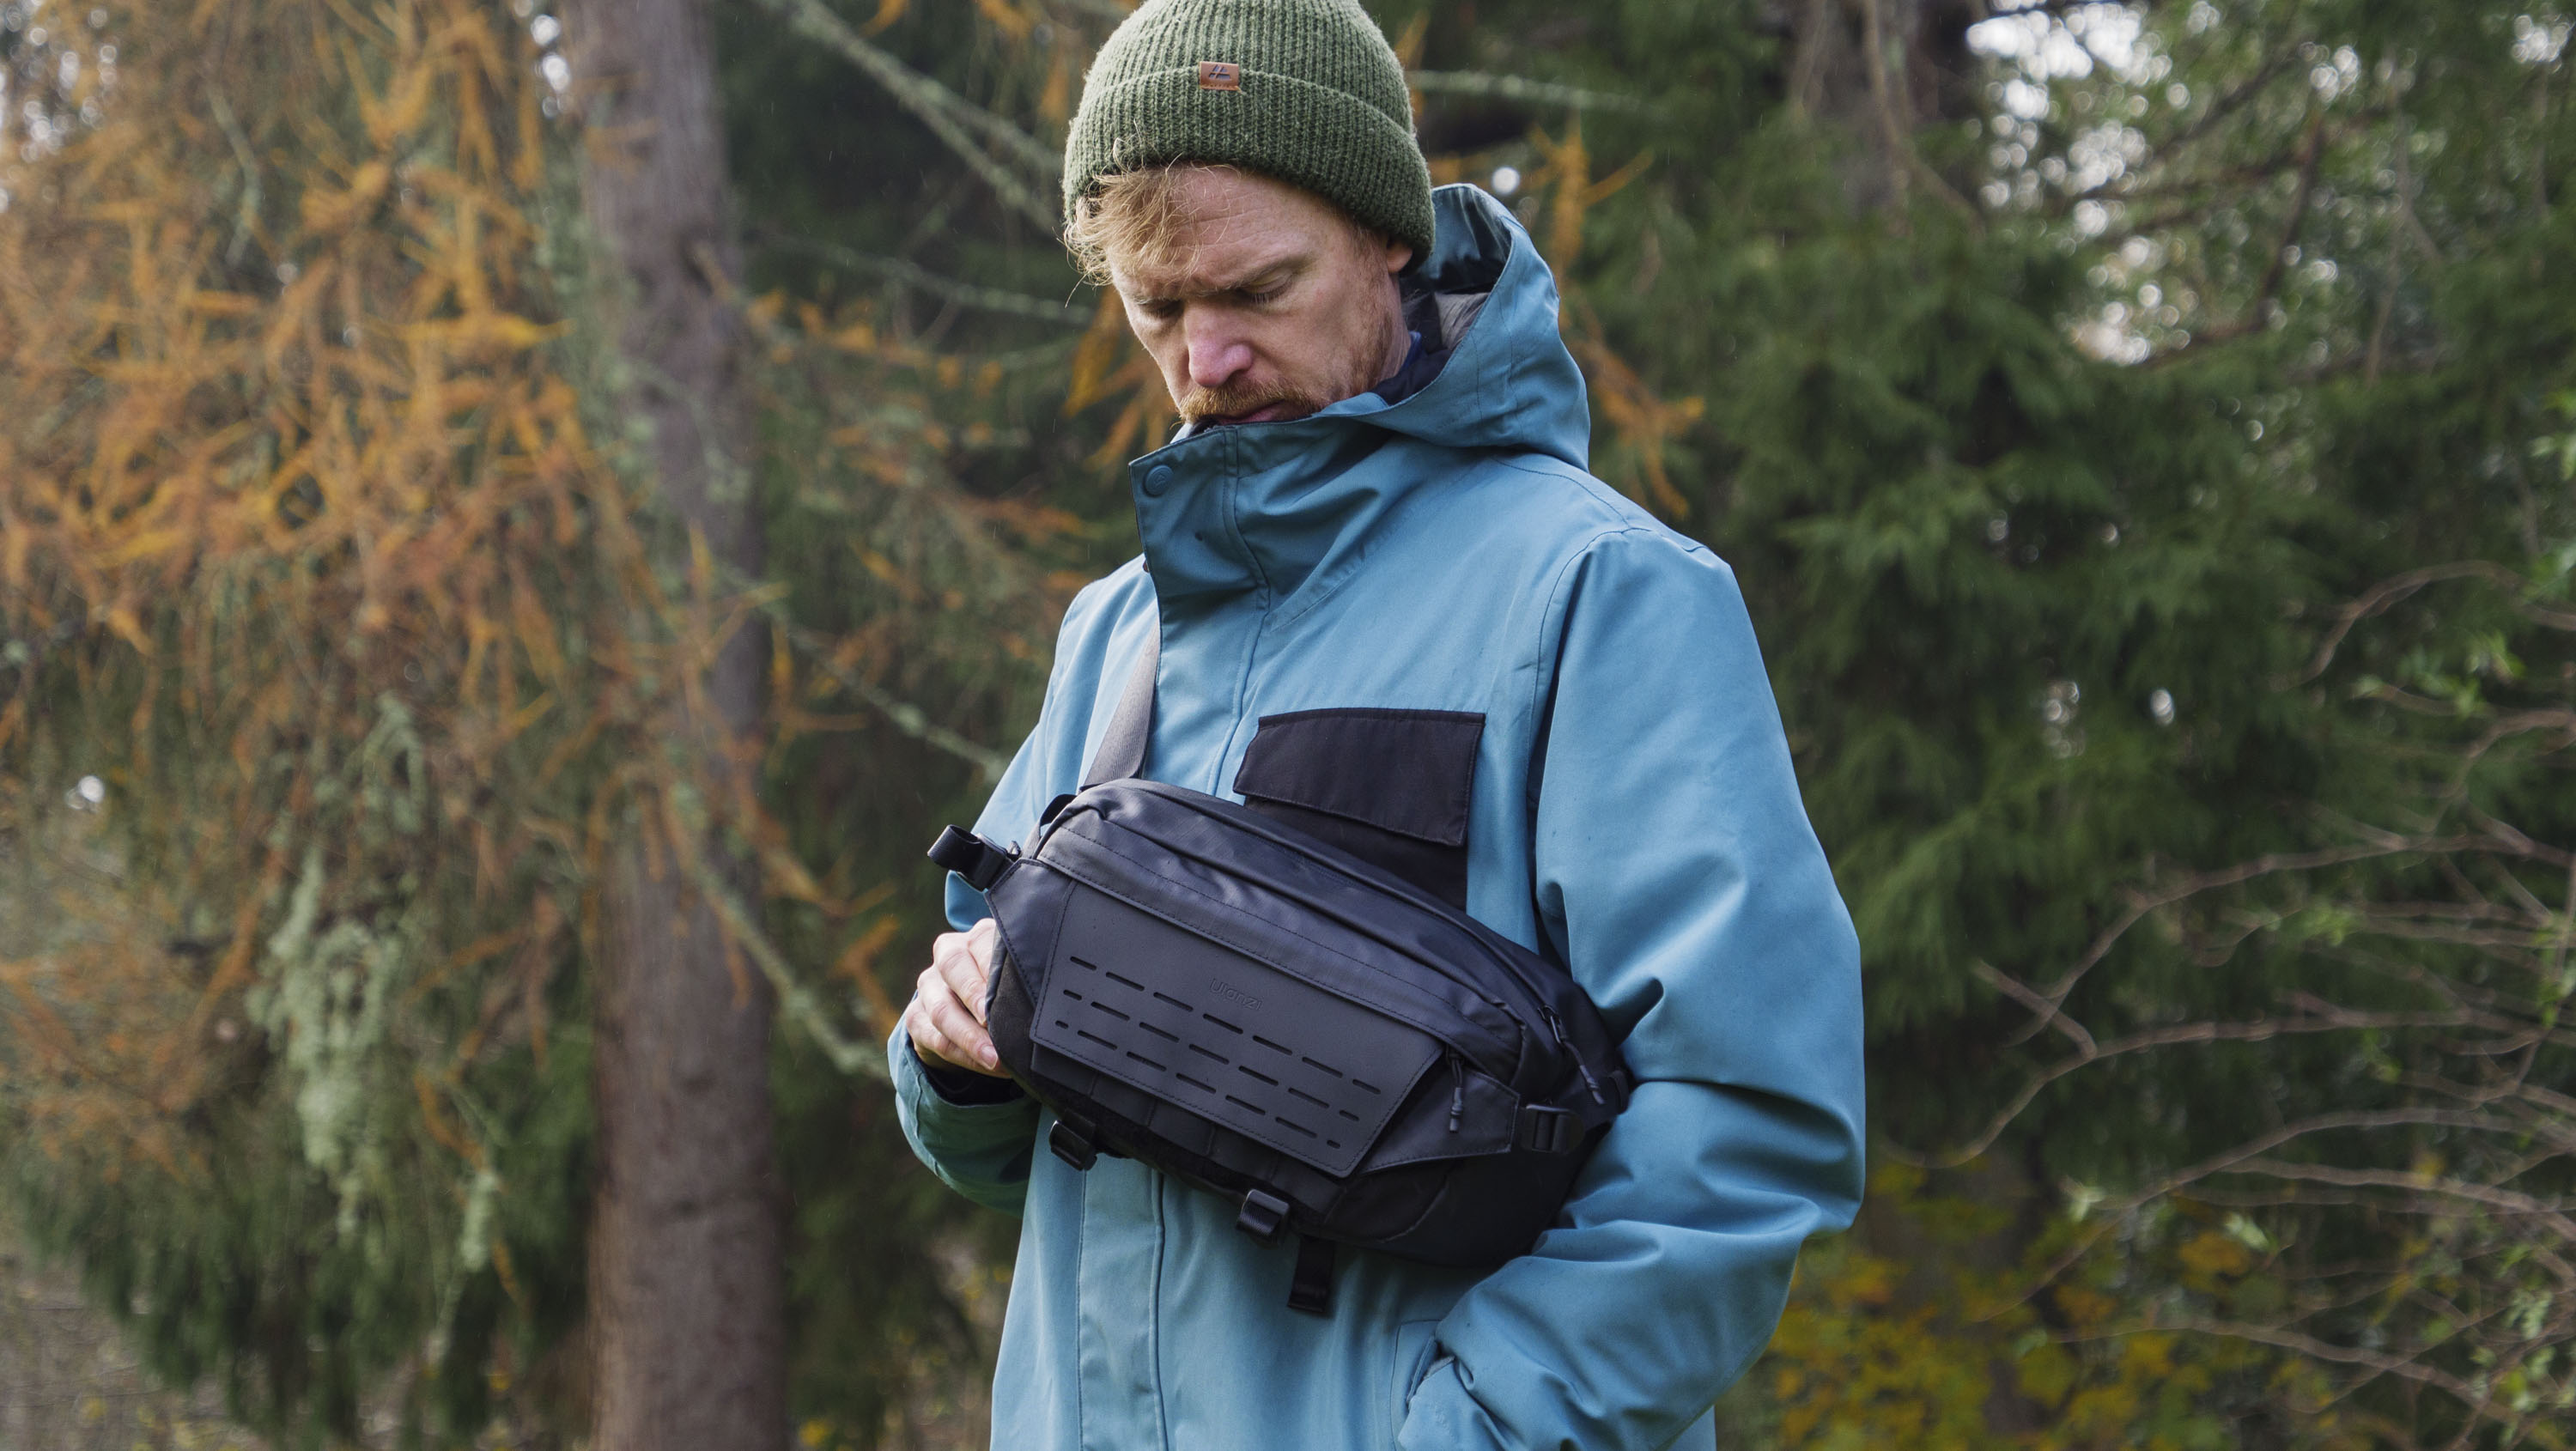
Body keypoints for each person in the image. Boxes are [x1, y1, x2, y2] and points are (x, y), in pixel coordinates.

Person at [890, 2, 1866, 1447]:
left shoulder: (1602, 595)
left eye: (1256, 290)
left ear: (1386, 239)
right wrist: (951, 1047)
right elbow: (997, 1126)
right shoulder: (1116, 632)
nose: (1203, 359)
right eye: (1158, 309)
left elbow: (1744, 1136)